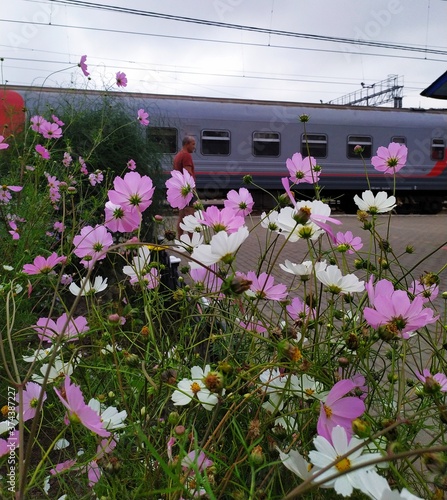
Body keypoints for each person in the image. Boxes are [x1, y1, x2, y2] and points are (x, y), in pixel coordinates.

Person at [173, 135, 196, 237]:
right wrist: (193, 189)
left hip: (180, 189)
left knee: (181, 216)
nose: (194, 147)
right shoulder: (186, 155)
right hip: (187, 189)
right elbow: (188, 173)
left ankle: (180, 239)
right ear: (187, 144)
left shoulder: (178, 155)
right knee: (191, 216)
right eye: (193, 144)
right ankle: (191, 242)